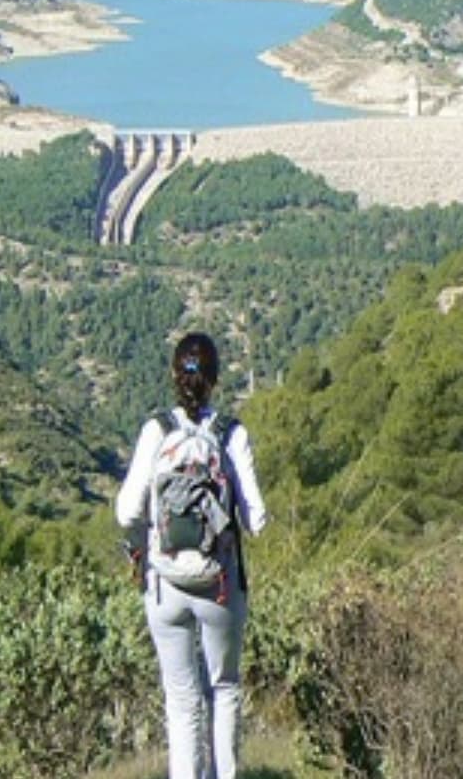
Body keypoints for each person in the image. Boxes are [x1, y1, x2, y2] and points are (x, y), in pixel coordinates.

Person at [116, 332, 269, 779]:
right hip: (219, 583)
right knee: (223, 687)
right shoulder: (231, 434)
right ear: (216, 379)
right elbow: (257, 521)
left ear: (173, 375)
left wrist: (147, 537)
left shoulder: (156, 431)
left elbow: (127, 510)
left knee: (181, 698)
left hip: (165, 584)